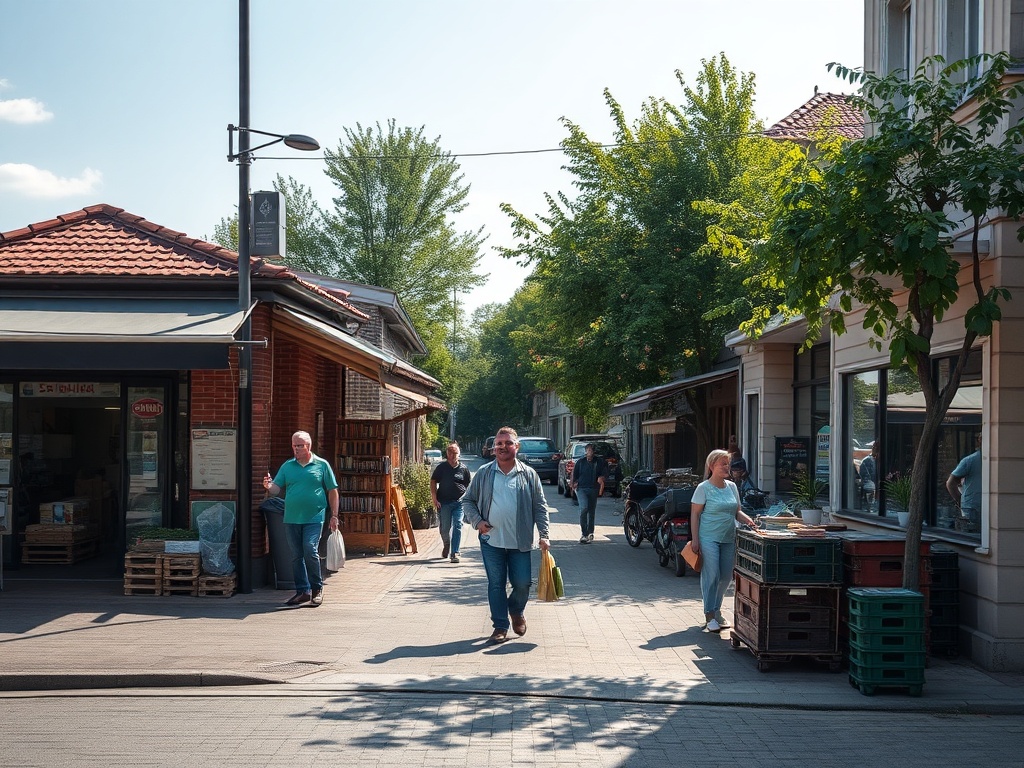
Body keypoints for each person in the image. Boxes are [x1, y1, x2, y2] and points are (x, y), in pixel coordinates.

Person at [462, 426, 551, 644]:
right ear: (493, 448)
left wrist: (544, 534)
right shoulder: (484, 473)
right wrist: (478, 522)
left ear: (517, 447)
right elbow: (468, 500)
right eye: (499, 444)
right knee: (496, 584)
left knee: (523, 584)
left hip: (520, 541)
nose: (503, 447)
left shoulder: (528, 474)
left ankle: (516, 610)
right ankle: (500, 626)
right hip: (491, 541)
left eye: (508, 443)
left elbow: (540, 506)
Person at [263, 431, 339, 607]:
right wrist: (269, 486)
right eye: (294, 445)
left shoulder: (321, 465)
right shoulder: (288, 466)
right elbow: (276, 489)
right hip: (291, 517)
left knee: (309, 549)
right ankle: (302, 591)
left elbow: (333, 490)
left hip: (314, 516)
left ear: (308, 446)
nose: (296, 449)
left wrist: (334, 515)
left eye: (300, 446)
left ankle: (317, 589)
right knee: (296, 555)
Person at [690, 449, 757, 633]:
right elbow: (695, 515)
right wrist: (695, 540)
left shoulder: (732, 487)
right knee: (712, 575)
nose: (727, 467)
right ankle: (709, 614)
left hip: (728, 538)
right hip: (708, 538)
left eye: (728, 464)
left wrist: (749, 521)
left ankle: (717, 611)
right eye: (723, 464)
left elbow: (737, 511)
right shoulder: (703, 488)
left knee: (726, 577)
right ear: (712, 466)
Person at [430, 441, 471, 563]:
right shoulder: (441, 468)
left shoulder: (463, 469)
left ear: (459, 454)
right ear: (447, 454)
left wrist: (467, 499)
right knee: (444, 529)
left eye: (455, 453)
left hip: (459, 502)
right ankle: (447, 544)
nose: (453, 456)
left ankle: (455, 552)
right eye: (450, 453)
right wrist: (434, 498)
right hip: (444, 502)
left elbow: (468, 485)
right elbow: (433, 481)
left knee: (458, 524)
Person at [946, 432, 982, 531]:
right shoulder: (970, 460)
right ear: (980, 440)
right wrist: (960, 500)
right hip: (973, 508)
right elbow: (951, 483)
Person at [571, 442, 605, 544]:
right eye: (588, 450)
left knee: (591, 511)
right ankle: (584, 533)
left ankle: (590, 532)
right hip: (581, 489)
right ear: (585, 451)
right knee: (584, 508)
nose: (589, 452)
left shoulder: (599, 462)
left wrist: (602, 478)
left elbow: (604, 472)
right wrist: (574, 483)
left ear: (594, 452)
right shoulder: (580, 462)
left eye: (591, 450)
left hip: (593, 489)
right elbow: (574, 473)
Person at [859, 444, 878, 511]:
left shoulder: (876, 460)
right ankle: (869, 508)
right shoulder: (867, 460)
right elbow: (864, 475)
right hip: (870, 485)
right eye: (874, 448)